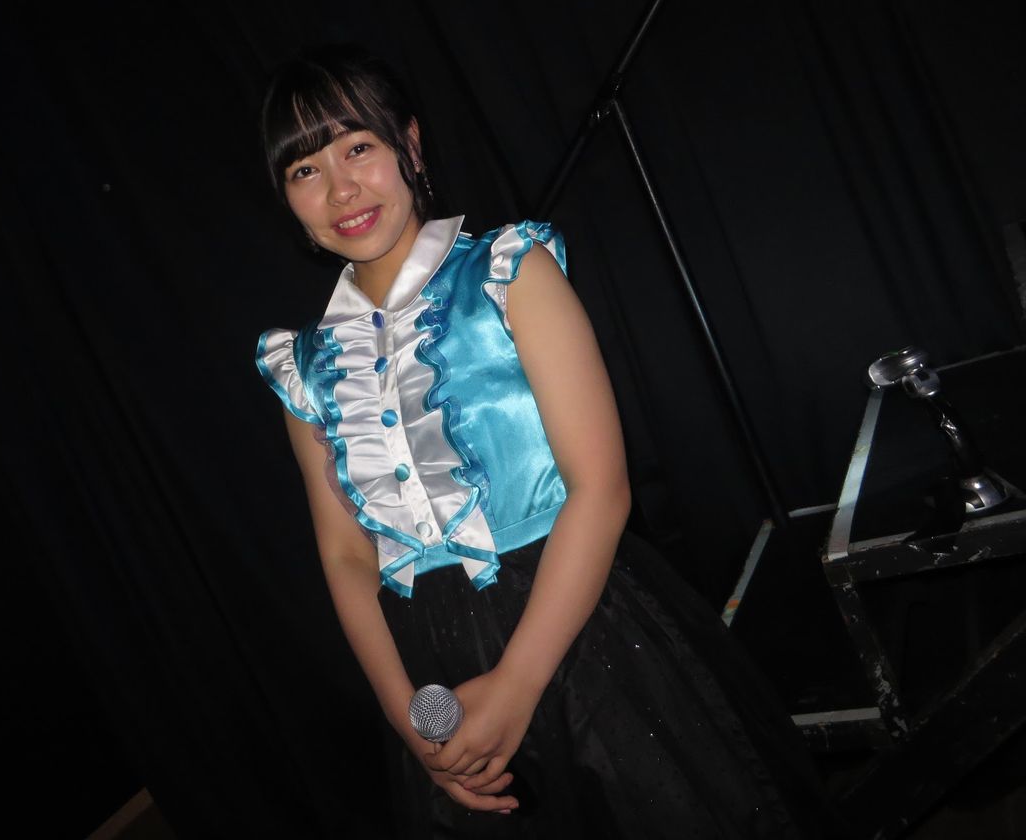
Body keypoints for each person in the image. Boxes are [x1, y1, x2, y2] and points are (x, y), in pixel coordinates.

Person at [254, 44, 838, 838]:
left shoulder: (508, 272)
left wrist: (519, 682)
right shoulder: (302, 365)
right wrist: (407, 716)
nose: (340, 188)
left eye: (358, 147)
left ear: (410, 146)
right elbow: (345, 556)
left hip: (583, 628)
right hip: (428, 661)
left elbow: (601, 489)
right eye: (305, 169)